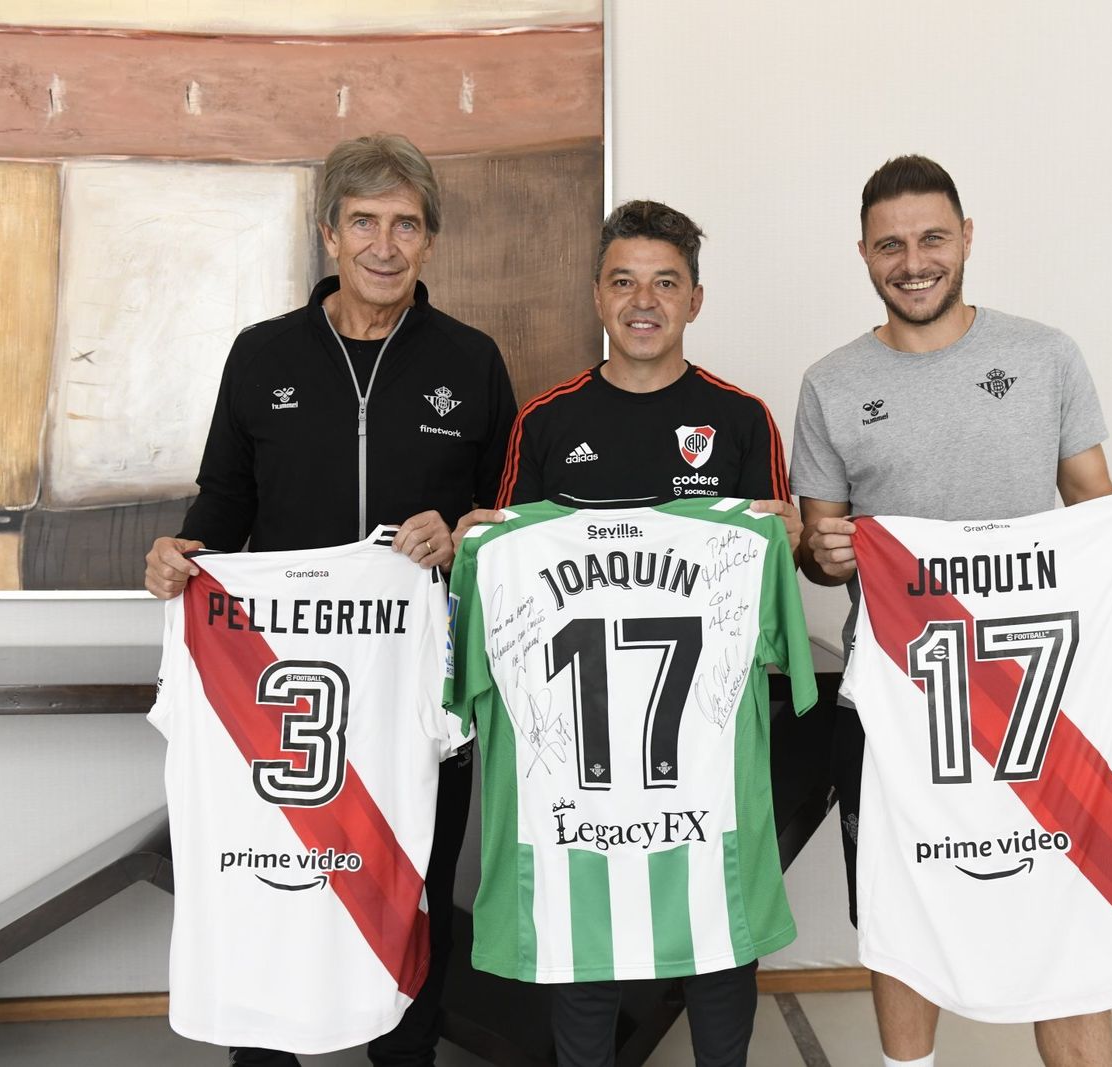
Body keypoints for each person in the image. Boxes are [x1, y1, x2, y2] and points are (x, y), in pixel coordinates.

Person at [791, 155, 1112, 1067]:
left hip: (1040, 695)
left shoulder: (1045, 355)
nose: (913, 261)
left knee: (1063, 893)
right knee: (905, 900)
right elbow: (815, 543)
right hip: (898, 699)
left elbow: (1095, 499)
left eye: (932, 238)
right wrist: (827, 550)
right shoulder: (830, 383)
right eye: (891, 245)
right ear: (863, 255)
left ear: (967, 238)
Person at [144, 133, 516, 1067]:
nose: (384, 245)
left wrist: (467, 531)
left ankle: (405, 1055)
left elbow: (507, 516)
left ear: (429, 241)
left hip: (413, 684)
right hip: (280, 688)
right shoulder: (262, 353)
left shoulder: (469, 361)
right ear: (329, 235)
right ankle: (264, 1052)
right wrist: (180, 558)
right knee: (271, 877)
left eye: (405, 224)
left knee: (410, 889)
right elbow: (220, 508)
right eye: (364, 223)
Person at [451, 200, 800, 1067]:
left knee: (718, 930)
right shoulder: (547, 419)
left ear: (695, 299)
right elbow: (505, 563)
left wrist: (783, 538)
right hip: (579, 745)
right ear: (597, 296)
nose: (643, 300)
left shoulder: (743, 416)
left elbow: (772, 581)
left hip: (705, 743)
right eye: (623, 281)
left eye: (665, 283)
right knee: (583, 934)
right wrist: (477, 542)